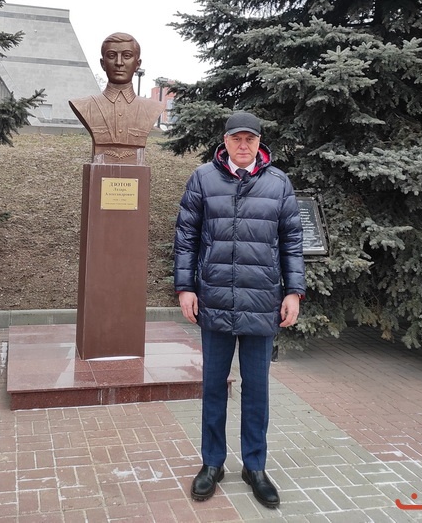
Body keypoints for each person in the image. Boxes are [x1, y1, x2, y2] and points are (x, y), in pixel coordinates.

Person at [174, 111, 305, 508]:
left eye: (250, 139)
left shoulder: (278, 183)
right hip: (214, 299)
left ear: (260, 142)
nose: (243, 145)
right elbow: (186, 236)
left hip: (262, 303)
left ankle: (255, 466)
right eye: (237, 139)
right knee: (213, 387)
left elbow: (291, 242)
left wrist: (293, 292)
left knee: (257, 389)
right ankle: (212, 463)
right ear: (226, 141)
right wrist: (185, 287)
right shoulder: (203, 179)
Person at [69, 32, 163, 163]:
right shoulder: (85, 106)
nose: (119, 63)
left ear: (137, 64)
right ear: (103, 64)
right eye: (112, 56)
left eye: (127, 56)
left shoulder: (152, 108)